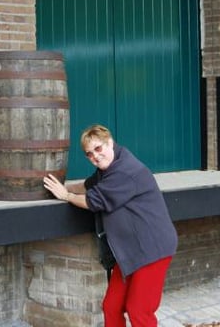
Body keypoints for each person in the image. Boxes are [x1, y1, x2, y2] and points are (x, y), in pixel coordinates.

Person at [43, 124, 178, 327]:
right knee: (111, 307)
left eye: (98, 149)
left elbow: (94, 201)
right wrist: (65, 187)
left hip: (152, 250)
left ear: (110, 143)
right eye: (89, 154)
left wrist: (66, 196)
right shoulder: (109, 168)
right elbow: (89, 185)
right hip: (130, 251)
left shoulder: (126, 171)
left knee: (139, 311)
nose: (95, 156)